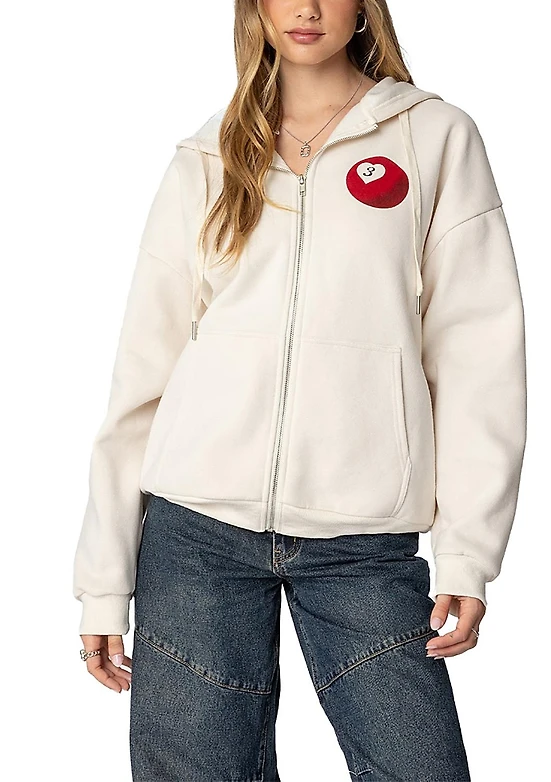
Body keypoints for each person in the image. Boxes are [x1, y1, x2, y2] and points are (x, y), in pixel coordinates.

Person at [73, 0, 527, 779]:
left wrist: (467, 551)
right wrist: (103, 581)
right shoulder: (209, 154)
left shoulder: (434, 137)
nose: (307, 9)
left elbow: (478, 355)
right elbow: (143, 375)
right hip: (195, 530)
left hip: (363, 533)